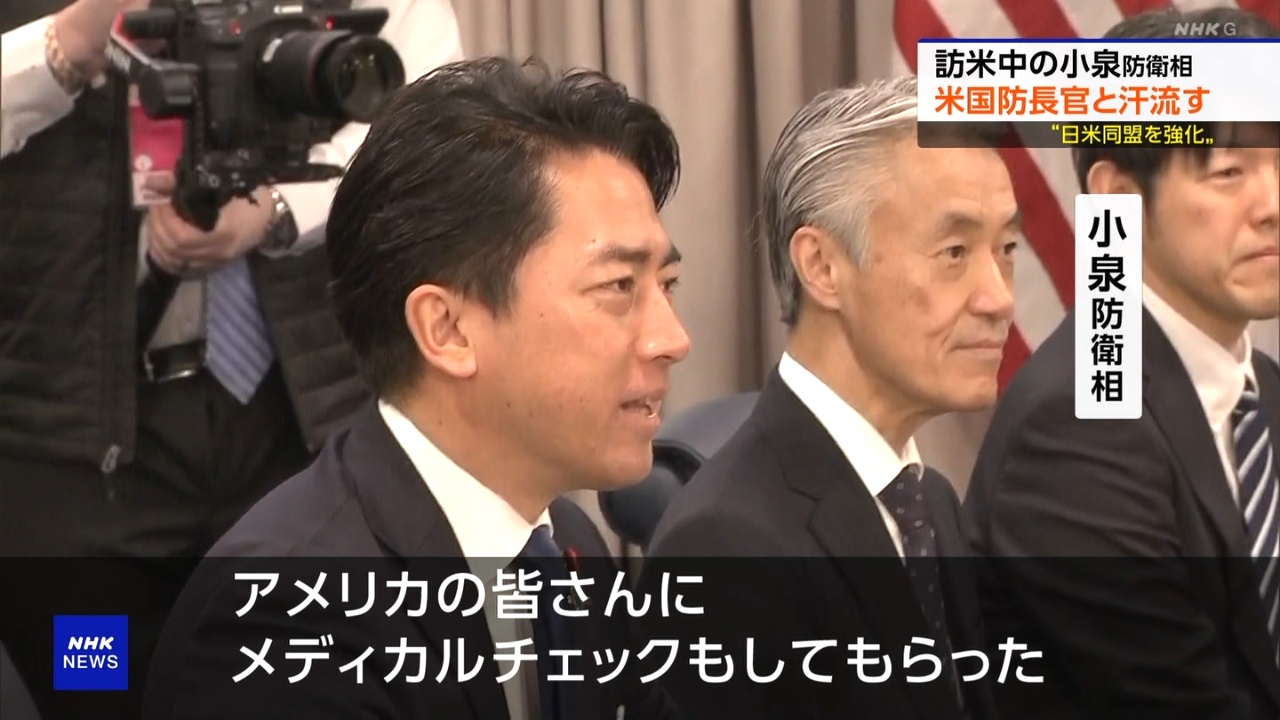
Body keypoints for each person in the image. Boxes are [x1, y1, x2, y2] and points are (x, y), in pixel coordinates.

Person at [140, 56, 691, 720]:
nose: (672, 338)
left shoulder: (566, 546)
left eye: (666, 285)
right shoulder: (281, 619)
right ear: (447, 329)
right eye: (618, 287)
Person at [0, 0, 462, 717]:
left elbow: (430, 129)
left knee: (312, 697)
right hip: (75, 468)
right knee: (91, 689)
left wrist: (282, 209)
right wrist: (63, 46)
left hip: (305, 435)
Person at [638, 75, 1015, 720]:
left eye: (1006, 249)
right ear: (821, 266)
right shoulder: (724, 548)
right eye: (954, 251)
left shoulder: (929, 504)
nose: (1000, 297)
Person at [964, 7, 1280, 720]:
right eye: (1229, 171)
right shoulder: (1077, 427)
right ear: (1120, 197)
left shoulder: (1262, 390)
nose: (1272, 205)